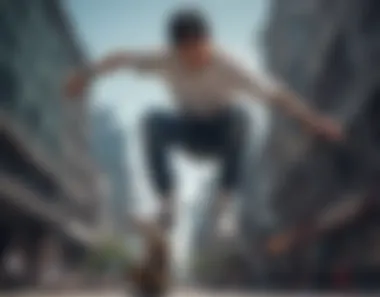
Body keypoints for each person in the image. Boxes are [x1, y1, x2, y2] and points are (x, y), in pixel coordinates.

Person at [65, 8, 343, 230]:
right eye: (187, 55)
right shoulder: (164, 59)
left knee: (241, 118)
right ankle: (168, 200)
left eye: (199, 52)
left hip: (220, 135)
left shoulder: (230, 66)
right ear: (176, 49)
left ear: (208, 42)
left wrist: (314, 121)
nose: (195, 61)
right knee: (151, 120)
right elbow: (120, 58)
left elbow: (278, 96)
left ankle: (225, 202)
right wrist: (85, 75)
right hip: (188, 133)